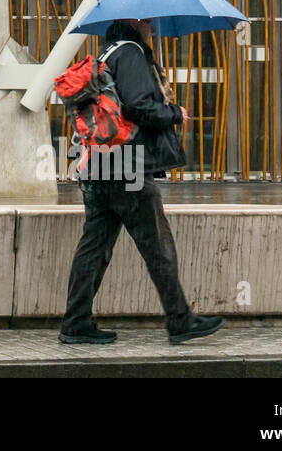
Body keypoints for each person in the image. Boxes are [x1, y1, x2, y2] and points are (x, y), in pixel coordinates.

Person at [59, 18, 225, 346]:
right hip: (127, 167)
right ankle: (180, 320)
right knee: (158, 245)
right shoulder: (131, 53)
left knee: (93, 248)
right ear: (133, 23)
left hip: (96, 167)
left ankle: (76, 322)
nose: (153, 26)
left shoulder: (104, 55)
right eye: (148, 21)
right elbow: (139, 105)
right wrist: (174, 113)